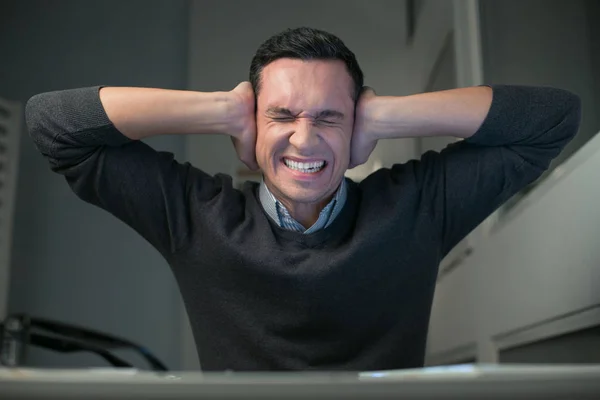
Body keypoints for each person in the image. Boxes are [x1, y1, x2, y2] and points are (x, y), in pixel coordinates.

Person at [25, 27, 581, 372]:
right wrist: (222, 109)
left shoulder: (417, 207)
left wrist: (385, 116)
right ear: (252, 124)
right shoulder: (196, 217)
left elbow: (552, 118)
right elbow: (53, 124)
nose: (305, 139)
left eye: (330, 118)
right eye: (283, 116)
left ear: (355, 125)